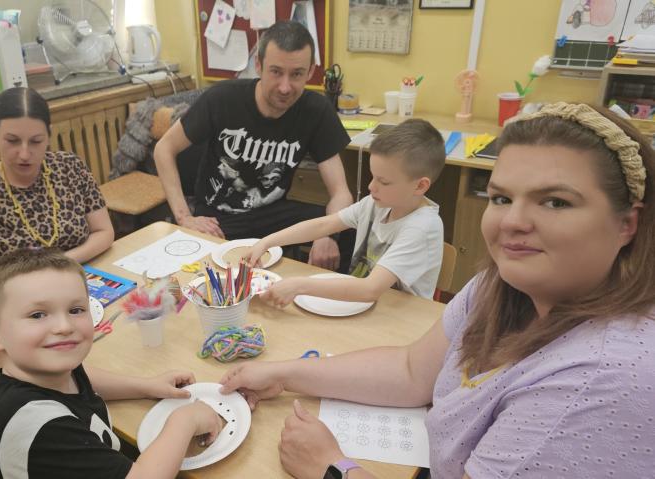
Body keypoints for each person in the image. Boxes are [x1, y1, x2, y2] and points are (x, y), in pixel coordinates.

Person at [220, 103, 655, 479]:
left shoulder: (601, 382)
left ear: (626, 225)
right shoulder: (499, 286)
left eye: (555, 202)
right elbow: (412, 370)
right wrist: (283, 373)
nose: (512, 222)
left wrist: (332, 468)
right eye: (501, 198)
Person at [0, 248, 223, 478]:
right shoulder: (39, 424)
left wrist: (147, 386)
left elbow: (83, 376)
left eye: (76, 310)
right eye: (37, 315)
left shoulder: (45, 369)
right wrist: (186, 420)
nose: (64, 326)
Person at [154, 20, 354, 271]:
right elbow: (163, 149)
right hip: (219, 217)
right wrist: (185, 218)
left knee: (347, 227)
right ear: (258, 65)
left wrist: (328, 233)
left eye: (296, 74)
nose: (285, 87)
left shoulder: (317, 110)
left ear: (311, 71)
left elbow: (341, 192)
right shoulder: (222, 98)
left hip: (272, 213)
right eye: (276, 72)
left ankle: (325, 292)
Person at [246, 119, 445, 305]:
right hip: (360, 305)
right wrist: (267, 242)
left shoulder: (422, 228)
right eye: (373, 176)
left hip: (399, 319)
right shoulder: (376, 203)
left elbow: (370, 289)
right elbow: (324, 225)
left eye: (383, 182)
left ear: (420, 186)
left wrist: (299, 286)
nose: (371, 186)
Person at [0, 87, 113, 264]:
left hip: (80, 271)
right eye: (12, 141)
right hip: (17, 283)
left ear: (49, 135)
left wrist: (60, 265)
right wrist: (48, 270)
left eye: (36, 141)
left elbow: (103, 232)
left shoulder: (70, 167)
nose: (24, 154)